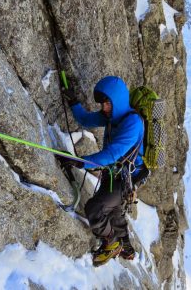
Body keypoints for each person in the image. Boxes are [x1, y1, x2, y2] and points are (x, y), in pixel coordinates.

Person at [61, 76, 147, 267]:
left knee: (95, 209)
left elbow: (112, 154)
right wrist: (73, 102)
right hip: (115, 173)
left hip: (126, 178)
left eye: (107, 102)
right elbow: (84, 119)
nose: (104, 107)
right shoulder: (111, 116)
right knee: (114, 210)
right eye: (101, 103)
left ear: (117, 100)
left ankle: (112, 242)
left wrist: (81, 162)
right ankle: (126, 248)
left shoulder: (133, 123)